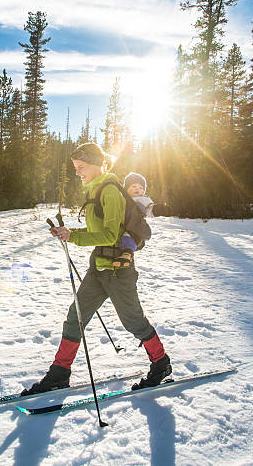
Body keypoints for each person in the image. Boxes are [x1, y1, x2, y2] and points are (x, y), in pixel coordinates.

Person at [21, 142, 172, 396]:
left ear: (95, 164)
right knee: (74, 318)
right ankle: (60, 372)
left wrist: (74, 236)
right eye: (75, 168)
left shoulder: (110, 190)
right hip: (98, 269)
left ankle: (161, 364)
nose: (77, 172)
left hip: (118, 271)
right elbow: (96, 231)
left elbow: (111, 234)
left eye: (81, 167)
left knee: (133, 322)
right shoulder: (95, 190)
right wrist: (67, 233)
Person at [117, 172, 154, 265]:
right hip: (127, 223)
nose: (137, 189)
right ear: (127, 188)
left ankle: (127, 255)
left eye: (141, 188)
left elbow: (149, 208)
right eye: (134, 186)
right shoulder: (123, 198)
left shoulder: (142, 199)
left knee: (128, 237)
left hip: (135, 225)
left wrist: (158, 210)